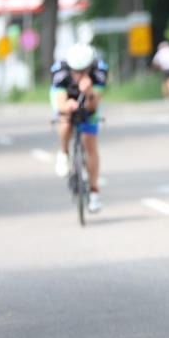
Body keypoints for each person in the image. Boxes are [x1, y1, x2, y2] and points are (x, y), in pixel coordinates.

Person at [51, 43, 108, 214]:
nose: (79, 75)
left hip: (88, 100)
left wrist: (89, 92)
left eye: (84, 70)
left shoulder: (99, 72)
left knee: (90, 143)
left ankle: (94, 191)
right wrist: (67, 106)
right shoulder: (60, 72)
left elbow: (93, 106)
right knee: (66, 121)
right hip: (66, 97)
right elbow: (60, 103)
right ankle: (64, 153)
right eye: (76, 71)